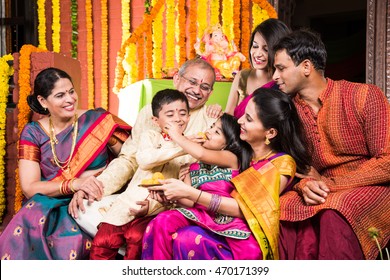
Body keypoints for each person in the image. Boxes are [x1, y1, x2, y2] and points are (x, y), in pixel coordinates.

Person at [68, 58, 222, 257]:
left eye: (205, 87)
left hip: (178, 203)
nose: (196, 90)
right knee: (86, 211)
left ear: (210, 93)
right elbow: (129, 159)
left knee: (137, 235)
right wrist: (97, 186)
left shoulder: (212, 120)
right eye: (192, 82)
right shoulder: (150, 112)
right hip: (138, 195)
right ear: (176, 79)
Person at [144, 88, 310, 260]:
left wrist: (191, 192)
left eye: (249, 119)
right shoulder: (240, 153)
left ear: (271, 133)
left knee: (188, 237)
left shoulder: (279, 163)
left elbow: (248, 209)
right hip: (207, 218)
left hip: (243, 233)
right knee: (162, 221)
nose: (240, 121)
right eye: (244, 114)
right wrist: (173, 194)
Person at [272, 29, 390, 260]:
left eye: (281, 68)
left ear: (306, 67)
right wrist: (303, 184)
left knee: (334, 211)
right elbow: (289, 162)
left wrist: (330, 183)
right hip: (320, 188)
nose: (275, 76)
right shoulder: (287, 113)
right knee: (282, 210)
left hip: (373, 185)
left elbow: (387, 161)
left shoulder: (364, 95)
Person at [0, 67, 131, 260]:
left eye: (71, 91)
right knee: (46, 228)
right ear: (43, 101)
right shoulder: (33, 132)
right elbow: (29, 187)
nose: (70, 99)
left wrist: (108, 144)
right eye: (60, 95)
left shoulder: (98, 121)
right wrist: (74, 183)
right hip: (50, 203)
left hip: (95, 200)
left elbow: (131, 159)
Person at [89, 89, 196, 259]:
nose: (177, 118)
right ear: (155, 120)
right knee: (103, 241)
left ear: (188, 117)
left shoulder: (193, 150)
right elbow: (146, 160)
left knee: (137, 240)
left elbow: (184, 187)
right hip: (127, 204)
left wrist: (155, 206)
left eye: (183, 113)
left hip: (156, 209)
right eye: (170, 114)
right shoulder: (150, 136)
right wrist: (182, 147)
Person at [142, 113, 259, 259]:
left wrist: (176, 134)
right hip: (199, 215)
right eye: (211, 126)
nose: (208, 131)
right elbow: (189, 201)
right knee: (162, 220)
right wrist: (167, 196)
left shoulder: (231, 158)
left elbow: (202, 154)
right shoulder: (194, 167)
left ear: (227, 144)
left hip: (224, 217)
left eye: (217, 131)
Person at [225, 18, 290, 119]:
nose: (258, 54)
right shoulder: (242, 76)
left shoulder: (282, 84)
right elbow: (228, 117)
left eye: (266, 49)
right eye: (255, 46)